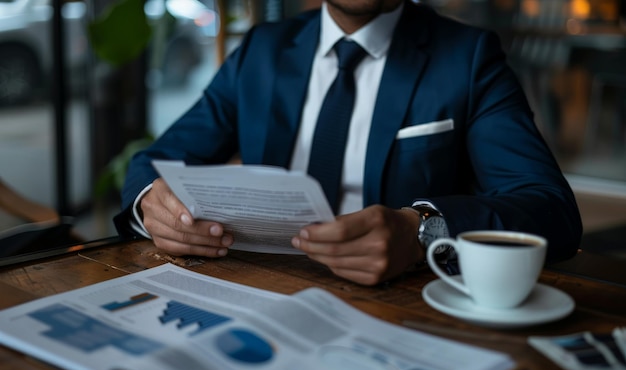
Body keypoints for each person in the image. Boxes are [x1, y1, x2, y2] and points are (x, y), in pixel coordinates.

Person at [114, 0, 582, 286]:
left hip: (401, 305)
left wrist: (422, 231)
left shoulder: (467, 57)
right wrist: (151, 203)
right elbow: (158, 160)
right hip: (255, 283)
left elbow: (550, 209)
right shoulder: (263, 49)